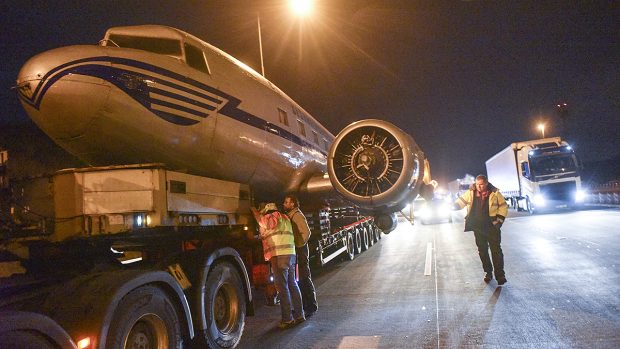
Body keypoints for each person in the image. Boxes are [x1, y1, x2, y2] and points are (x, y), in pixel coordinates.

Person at [251, 202, 305, 328]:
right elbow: (271, 233)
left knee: (282, 287)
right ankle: (299, 314)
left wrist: (254, 210)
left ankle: (287, 319)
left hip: (279, 255)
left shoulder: (272, 216)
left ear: (267, 211)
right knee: (292, 284)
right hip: (290, 253)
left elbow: (262, 222)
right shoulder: (285, 218)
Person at [454, 174, 509, 285]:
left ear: (486, 183)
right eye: (478, 184)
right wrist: (454, 206)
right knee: (483, 251)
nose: (479, 187)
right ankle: (488, 273)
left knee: (496, 251)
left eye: (482, 185)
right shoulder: (470, 192)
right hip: (477, 227)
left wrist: (499, 221)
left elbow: (503, 206)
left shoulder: (495, 193)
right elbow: (461, 202)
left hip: (492, 227)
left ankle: (500, 275)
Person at [283, 195, 319, 317]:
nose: (284, 204)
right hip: (297, 250)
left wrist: (298, 245)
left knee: (304, 278)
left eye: (287, 202)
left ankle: (311, 306)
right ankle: (304, 306)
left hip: (300, 250)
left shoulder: (297, 215)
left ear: (293, 204)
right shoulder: (291, 215)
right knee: (299, 280)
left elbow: (306, 232)